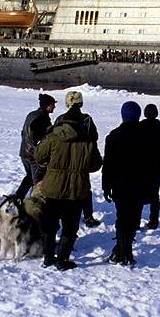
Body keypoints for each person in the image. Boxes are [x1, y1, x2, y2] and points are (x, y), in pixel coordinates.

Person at [35, 90, 102, 270]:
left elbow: (38, 156)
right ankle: (63, 260)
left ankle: (48, 257)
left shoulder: (54, 136)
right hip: (76, 189)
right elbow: (96, 165)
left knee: (49, 224)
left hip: (53, 187)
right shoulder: (87, 141)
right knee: (70, 227)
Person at [102, 101, 148, 266]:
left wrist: (106, 186)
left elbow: (107, 164)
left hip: (120, 185)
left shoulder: (114, 136)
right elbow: (152, 163)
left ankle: (123, 253)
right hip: (140, 184)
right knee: (134, 219)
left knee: (122, 219)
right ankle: (123, 251)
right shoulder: (146, 136)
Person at [53, 91, 101, 227]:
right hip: (81, 159)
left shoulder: (60, 119)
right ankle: (88, 216)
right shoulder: (87, 119)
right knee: (85, 188)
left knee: (62, 189)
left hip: (63, 159)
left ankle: (60, 217)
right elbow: (94, 137)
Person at [139, 103, 160, 229]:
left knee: (138, 193)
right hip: (156, 167)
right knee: (154, 194)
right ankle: (154, 220)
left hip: (140, 166)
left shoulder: (138, 128)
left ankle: (136, 220)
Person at [18, 93, 56, 196]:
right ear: (46, 105)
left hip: (24, 153)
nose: (54, 107)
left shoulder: (33, 114)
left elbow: (24, 133)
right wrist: (38, 152)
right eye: (52, 104)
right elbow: (33, 136)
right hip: (33, 155)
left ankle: (18, 198)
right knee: (37, 183)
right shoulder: (41, 118)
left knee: (29, 177)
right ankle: (34, 205)